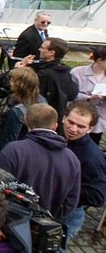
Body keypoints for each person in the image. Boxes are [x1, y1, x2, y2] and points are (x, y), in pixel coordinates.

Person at [0, 103, 81, 221]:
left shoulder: (14, 150)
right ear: (55, 126)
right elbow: (71, 201)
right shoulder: (72, 159)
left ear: (25, 120)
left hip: (10, 221)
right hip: (44, 226)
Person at [61, 101, 106, 240]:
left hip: (68, 214)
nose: (73, 129)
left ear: (90, 129)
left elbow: (98, 196)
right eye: (70, 122)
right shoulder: (60, 137)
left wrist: (65, 188)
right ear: (64, 118)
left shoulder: (92, 157)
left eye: (81, 126)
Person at [15, 37, 78, 125]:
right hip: (55, 117)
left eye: (42, 47)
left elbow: (19, 87)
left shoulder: (44, 74)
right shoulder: (64, 71)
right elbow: (72, 94)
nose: (39, 49)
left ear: (51, 53)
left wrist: (19, 69)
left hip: (37, 118)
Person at [0, 67, 43, 161]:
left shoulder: (17, 111)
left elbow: (7, 138)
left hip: (10, 156)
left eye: (12, 81)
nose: (10, 83)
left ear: (20, 85)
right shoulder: (41, 101)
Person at [70, 46, 106, 144]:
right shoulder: (78, 72)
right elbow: (70, 95)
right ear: (99, 60)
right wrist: (89, 97)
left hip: (100, 119)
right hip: (79, 116)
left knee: (93, 143)